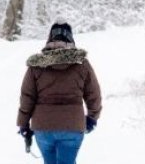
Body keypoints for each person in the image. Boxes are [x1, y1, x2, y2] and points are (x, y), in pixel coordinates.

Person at [16, 20, 102, 164]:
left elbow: (27, 97)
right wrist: (93, 117)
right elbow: (94, 94)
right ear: (71, 38)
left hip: (43, 127)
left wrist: (23, 124)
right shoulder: (82, 64)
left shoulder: (36, 65)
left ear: (50, 38)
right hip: (72, 126)